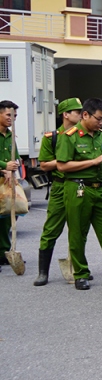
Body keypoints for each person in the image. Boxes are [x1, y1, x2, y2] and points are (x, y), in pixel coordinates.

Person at [56, 98, 102, 290]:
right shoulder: (69, 136)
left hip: (100, 188)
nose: (101, 123)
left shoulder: (101, 136)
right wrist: (92, 162)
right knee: (78, 233)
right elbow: (62, 165)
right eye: (99, 119)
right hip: (78, 188)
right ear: (85, 114)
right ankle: (81, 273)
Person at [34, 98, 84, 286]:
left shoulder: (84, 136)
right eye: (77, 112)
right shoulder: (51, 138)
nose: (81, 115)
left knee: (79, 229)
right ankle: (43, 272)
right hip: (60, 185)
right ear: (66, 114)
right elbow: (45, 165)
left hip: (80, 185)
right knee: (51, 229)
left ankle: (80, 269)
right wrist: (64, 159)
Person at [0, 101, 20, 273]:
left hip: (7, 182)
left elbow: (17, 157)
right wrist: (4, 167)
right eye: (8, 115)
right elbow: (6, 163)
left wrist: (13, 169)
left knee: (7, 218)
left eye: (14, 116)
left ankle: (4, 253)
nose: (12, 119)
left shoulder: (11, 135)